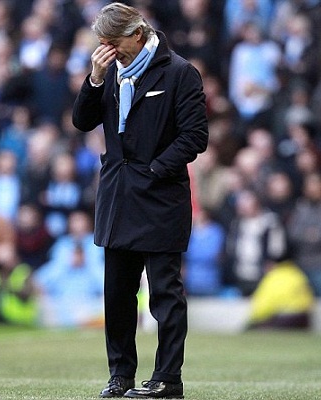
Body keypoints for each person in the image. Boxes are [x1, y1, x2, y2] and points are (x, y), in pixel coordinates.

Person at [72, 3, 208, 398]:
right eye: (102, 45)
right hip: (118, 198)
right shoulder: (110, 71)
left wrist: (153, 169)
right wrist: (94, 79)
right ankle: (120, 375)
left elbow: (195, 137)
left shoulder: (180, 72)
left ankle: (168, 379)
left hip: (160, 198)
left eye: (112, 43)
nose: (108, 52)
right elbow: (82, 121)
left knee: (164, 294)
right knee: (116, 294)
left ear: (137, 34)